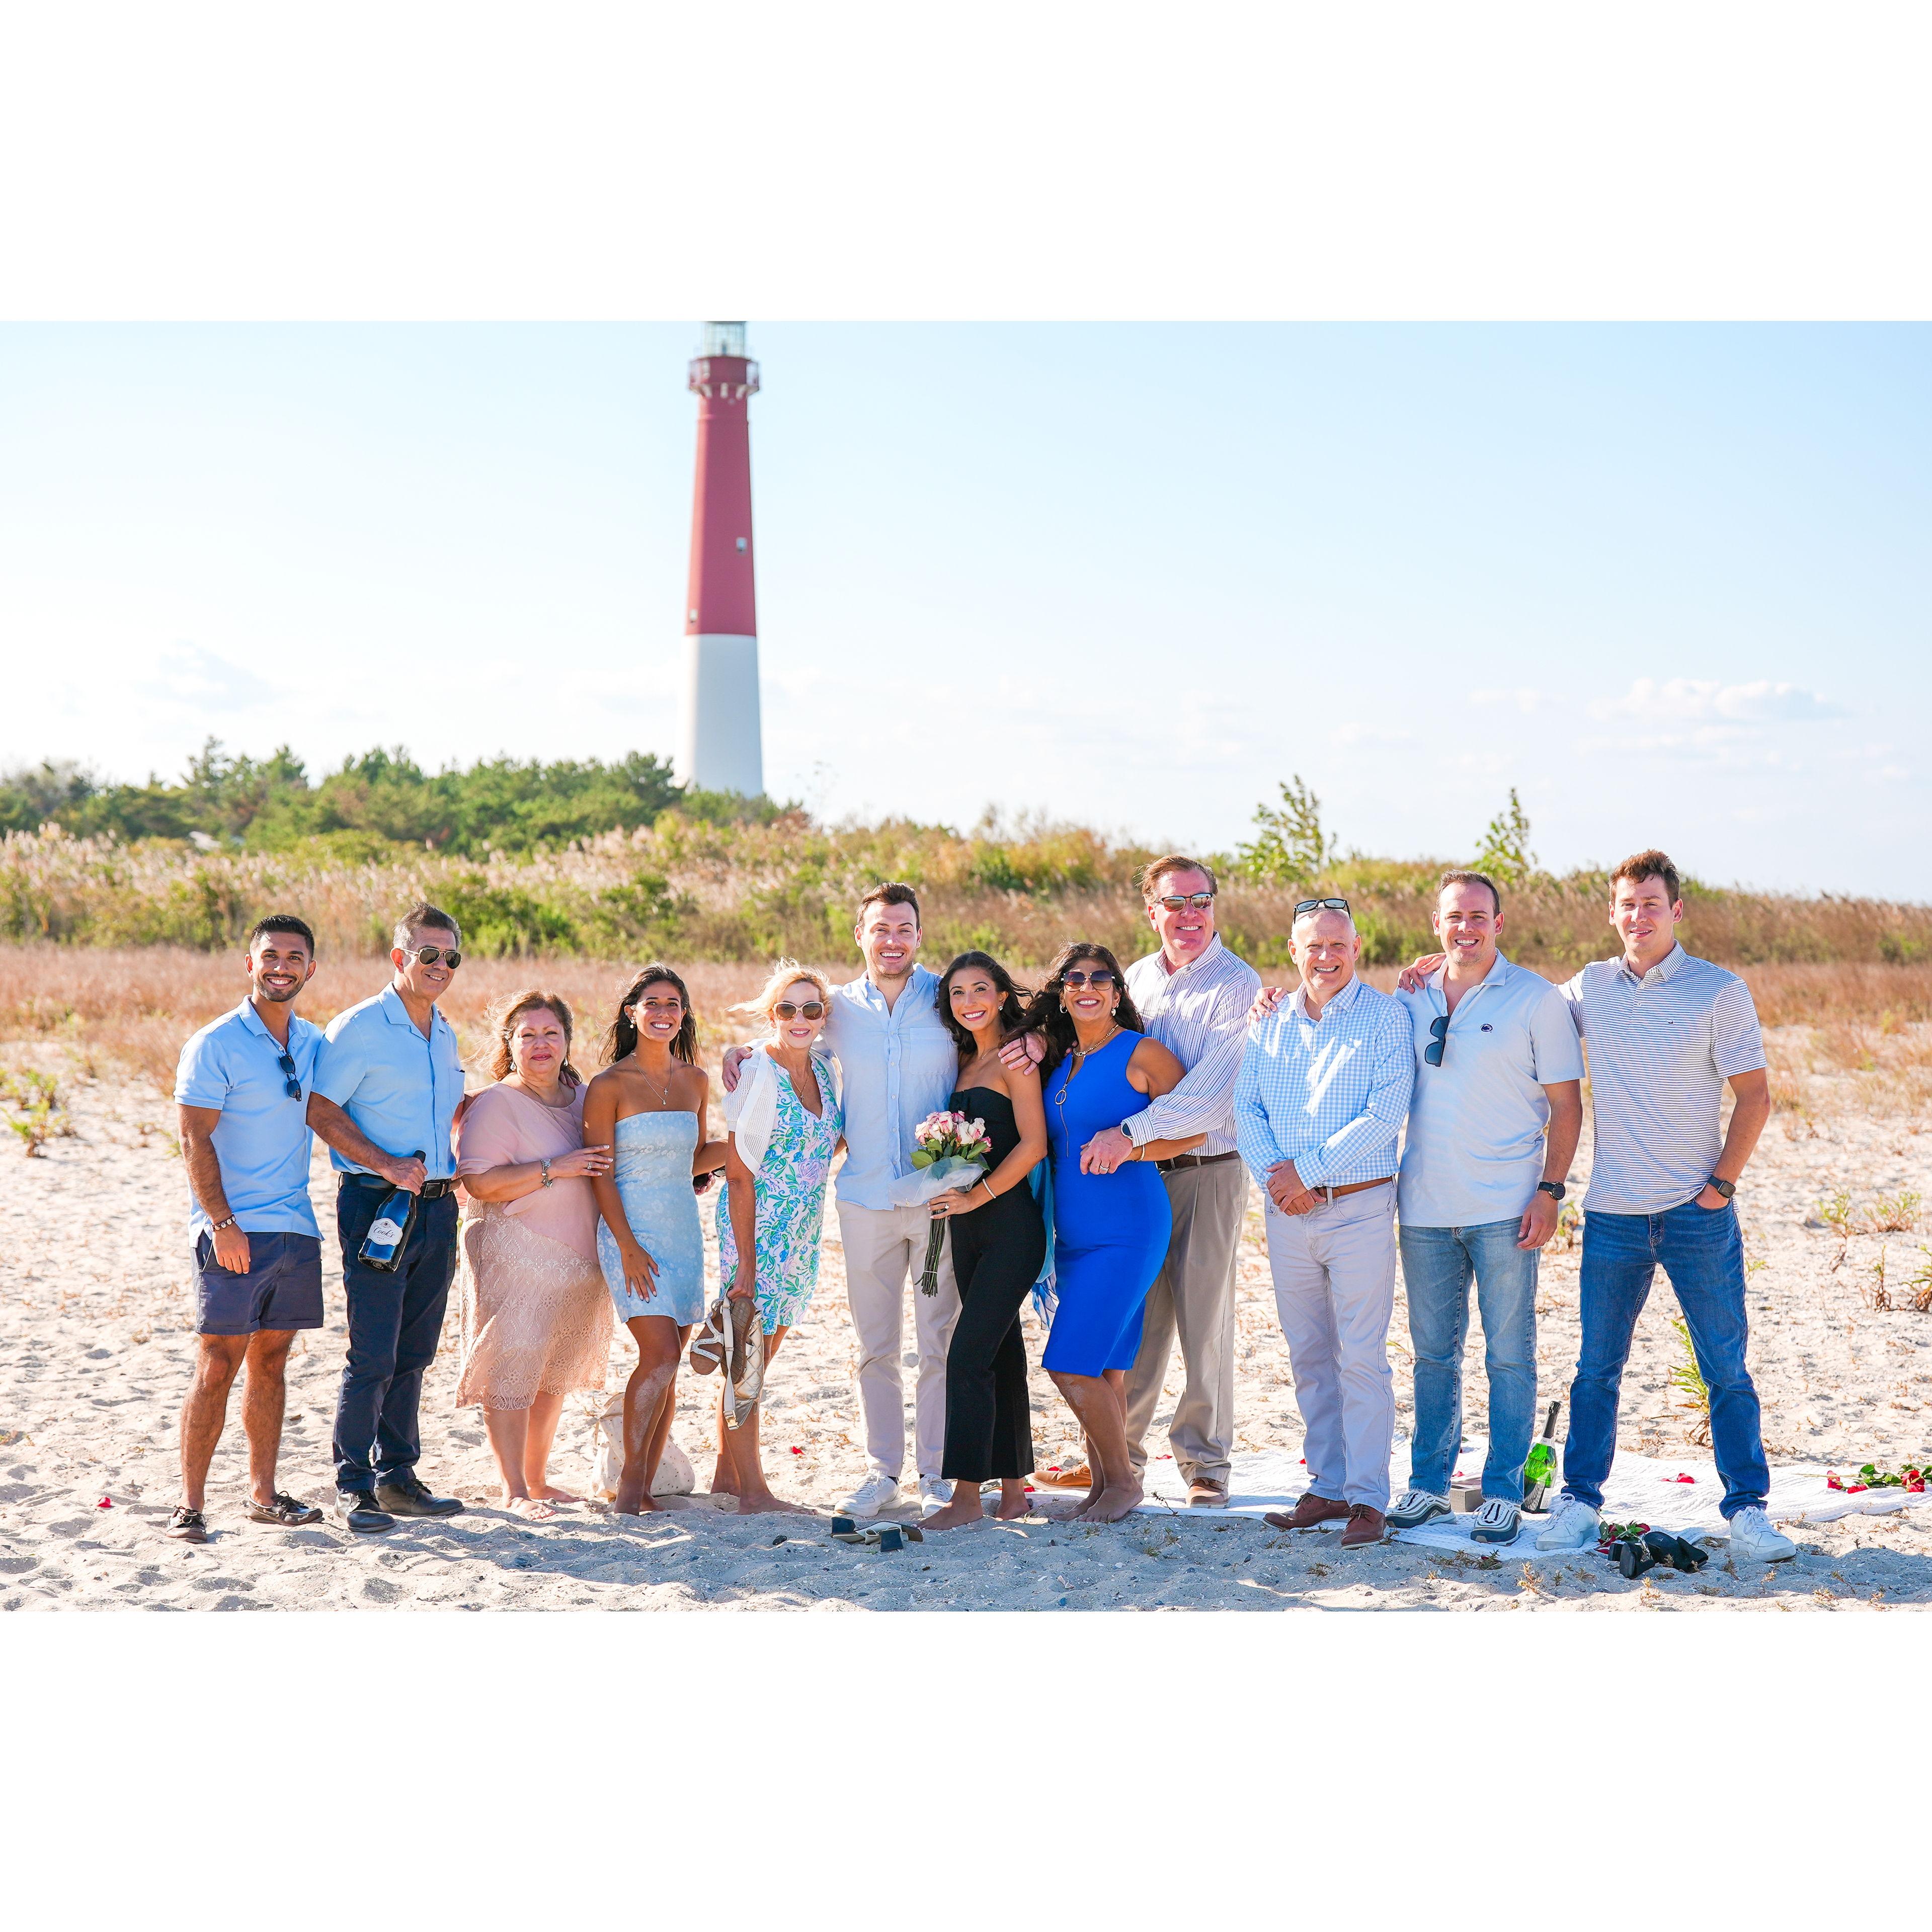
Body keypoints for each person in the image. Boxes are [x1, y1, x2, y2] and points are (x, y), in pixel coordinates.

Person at [1524, 851, 1794, 1562]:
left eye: (1651, 903)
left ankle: (1747, 1511)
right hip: (1613, 1214)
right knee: (1596, 1370)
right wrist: (1441, 967)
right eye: (1627, 904)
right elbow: (1519, 1005)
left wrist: (1720, 1187)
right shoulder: (1590, 986)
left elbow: (1756, 1097)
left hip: (1695, 1215)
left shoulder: (1718, 990)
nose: (1638, 916)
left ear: (1675, 911)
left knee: (1725, 1368)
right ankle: (1579, 1502)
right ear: (1611, 913)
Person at [1012, 855, 1260, 1508]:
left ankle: (1205, 1463)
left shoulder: (1238, 984)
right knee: (1134, 1327)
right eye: (1175, 903)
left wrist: (1131, 1136)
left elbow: (1210, 1098)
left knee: (1203, 1316)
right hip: (1127, 1178)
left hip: (1204, 1167)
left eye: (1200, 901)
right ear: (1152, 911)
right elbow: (1085, 1039)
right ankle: (1122, 1456)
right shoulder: (1140, 977)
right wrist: (1037, 1042)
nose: (1189, 914)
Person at [722, 883, 961, 1520]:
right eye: (881, 928)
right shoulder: (839, 1011)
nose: (893, 940)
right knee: (874, 1345)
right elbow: (791, 1047)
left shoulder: (948, 998)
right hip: (862, 1200)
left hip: (938, 1202)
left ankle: (936, 1474)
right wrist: (740, 1052)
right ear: (861, 935)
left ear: (920, 935)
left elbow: (995, 1040)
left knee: (938, 1343)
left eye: (904, 928)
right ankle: (882, 1472)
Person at [1375, 871, 1584, 1548]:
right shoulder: (1409, 996)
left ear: (1499, 923)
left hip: (1506, 1205)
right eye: (1453, 917)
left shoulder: (1537, 999)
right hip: (1424, 1206)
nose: (1464, 928)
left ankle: (1501, 1492)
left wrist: (1550, 1192)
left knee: (1509, 1357)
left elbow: (1567, 1106)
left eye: (1477, 916)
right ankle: (1429, 1485)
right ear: (1436, 925)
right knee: (1433, 1357)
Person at [1235, 900, 1413, 1549]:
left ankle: (1367, 1497)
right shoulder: (1269, 1023)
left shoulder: (1386, 1018)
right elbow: (1246, 1108)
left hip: (1359, 1209)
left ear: (1357, 948)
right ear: (1293, 951)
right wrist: (1279, 1182)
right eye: (1314, 946)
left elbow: (1385, 1114)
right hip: (1286, 1214)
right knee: (1309, 1354)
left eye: (1338, 945)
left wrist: (1304, 1172)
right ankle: (1328, 1484)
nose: (1326, 957)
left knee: (1361, 1356)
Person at [167, 916, 331, 1541]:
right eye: (271, 956)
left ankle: (263, 1494)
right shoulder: (215, 1043)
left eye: (294, 957)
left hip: (296, 1229)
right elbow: (193, 1137)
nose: (282, 967)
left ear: (310, 969)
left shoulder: (315, 1042)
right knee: (218, 1363)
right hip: (233, 1230)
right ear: (250, 963)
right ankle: (191, 1503)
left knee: (273, 1361)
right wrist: (223, 1223)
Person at [309, 903, 469, 1535]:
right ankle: (354, 1486)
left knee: (415, 1351)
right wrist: (385, 1163)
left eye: (451, 956)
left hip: (438, 1209)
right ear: (400, 957)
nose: (440, 966)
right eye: (428, 954)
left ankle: (398, 1477)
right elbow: (322, 1111)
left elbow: (444, 1111)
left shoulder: (444, 1031)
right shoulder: (360, 1027)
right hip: (377, 1204)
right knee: (373, 1352)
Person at [1032, 942, 1200, 1523]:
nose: (1087, 987)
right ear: (1061, 992)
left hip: (1128, 1228)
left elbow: (1194, 1128)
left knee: (1069, 1363)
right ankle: (1103, 1487)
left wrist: (1133, 1146)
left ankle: (1124, 1483)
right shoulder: (1058, 1060)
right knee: (1106, 1366)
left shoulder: (1141, 1052)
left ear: (1117, 991)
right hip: (1073, 1239)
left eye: (1099, 978)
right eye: (1075, 978)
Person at [453, 991, 616, 1521]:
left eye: (551, 1034)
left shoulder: (586, 1098)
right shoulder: (496, 1103)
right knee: (512, 1364)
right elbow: (480, 1182)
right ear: (510, 1043)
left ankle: (539, 1479)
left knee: (552, 1372)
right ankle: (514, 1488)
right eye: (528, 1035)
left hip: (580, 1258)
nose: (540, 1045)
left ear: (568, 1040)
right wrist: (555, 1169)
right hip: (515, 1251)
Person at [584, 964, 727, 1515]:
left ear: (684, 1015)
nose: (663, 1013)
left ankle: (646, 1486)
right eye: (653, 1003)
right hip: (630, 1231)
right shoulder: (608, 1085)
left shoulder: (696, 1081)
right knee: (660, 1354)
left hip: (682, 1233)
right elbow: (600, 1174)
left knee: (671, 1364)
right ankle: (628, 1486)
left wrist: (747, 1146)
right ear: (632, 1013)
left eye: (673, 1004)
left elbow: (693, 1159)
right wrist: (627, 1245)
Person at [921, 951, 1049, 1532]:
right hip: (966, 1229)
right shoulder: (962, 1061)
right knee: (1001, 1353)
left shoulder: (1018, 1055)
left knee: (967, 1357)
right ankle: (1015, 1492)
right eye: (957, 993)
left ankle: (967, 1497)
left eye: (980, 990)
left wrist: (977, 1198)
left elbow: (1033, 1145)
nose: (969, 1002)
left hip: (1009, 1226)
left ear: (1001, 996)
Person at [712, 962, 845, 1513]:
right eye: (787, 1009)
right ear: (772, 1014)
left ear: (824, 1015)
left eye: (811, 1008)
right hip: (756, 1232)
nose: (799, 1018)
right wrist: (746, 1265)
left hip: (803, 1234)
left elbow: (827, 1143)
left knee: (757, 1358)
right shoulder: (756, 1072)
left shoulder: (827, 1067)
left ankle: (726, 1478)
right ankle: (754, 1492)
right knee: (746, 1362)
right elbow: (738, 1175)